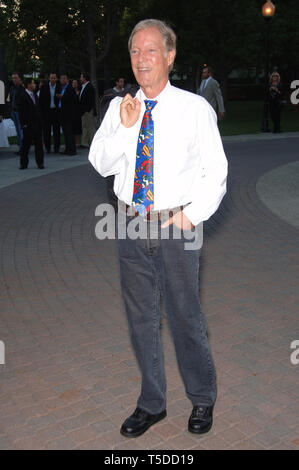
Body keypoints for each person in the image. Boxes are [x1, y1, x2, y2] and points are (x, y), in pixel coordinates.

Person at [89, 19, 228, 438]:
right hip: (130, 224)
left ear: (169, 56)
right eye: (135, 51)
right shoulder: (120, 108)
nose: (141, 59)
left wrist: (191, 215)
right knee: (141, 319)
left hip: (177, 225)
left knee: (186, 316)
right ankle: (152, 403)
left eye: (151, 50)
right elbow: (100, 162)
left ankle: (202, 397)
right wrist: (126, 130)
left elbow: (216, 171)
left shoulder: (194, 109)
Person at [18, 77, 44, 169]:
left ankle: (40, 162)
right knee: (26, 146)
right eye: (33, 83)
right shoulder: (23, 96)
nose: (35, 85)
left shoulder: (35, 95)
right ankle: (23, 163)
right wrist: (23, 124)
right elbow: (21, 112)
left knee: (39, 145)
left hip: (37, 125)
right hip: (28, 125)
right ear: (29, 85)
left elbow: (38, 109)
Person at [39, 73, 61, 153]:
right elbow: (40, 101)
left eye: (54, 78)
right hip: (47, 112)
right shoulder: (44, 87)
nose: (53, 80)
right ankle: (47, 147)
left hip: (56, 111)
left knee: (56, 131)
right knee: (46, 131)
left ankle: (56, 148)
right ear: (49, 78)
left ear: (56, 79)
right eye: (51, 78)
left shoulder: (59, 87)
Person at [57, 74, 77, 155]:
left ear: (67, 80)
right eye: (61, 78)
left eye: (64, 78)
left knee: (69, 132)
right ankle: (68, 148)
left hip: (68, 114)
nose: (63, 80)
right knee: (65, 132)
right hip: (62, 113)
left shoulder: (70, 89)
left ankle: (72, 149)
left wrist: (62, 97)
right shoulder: (61, 88)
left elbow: (71, 100)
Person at [8, 72, 25, 154]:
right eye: (13, 78)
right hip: (13, 112)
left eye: (15, 78)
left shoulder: (22, 89)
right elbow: (10, 99)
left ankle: (23, 148)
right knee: (18, 131)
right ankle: (20, 148)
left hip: (19, 112)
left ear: (19, 79)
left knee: (21, 130)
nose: (14, 79)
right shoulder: (12, 88)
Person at [79, 72, 96, 148]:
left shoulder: (89, 87)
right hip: (84, 110)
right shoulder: (84, 86)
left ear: (84, 78)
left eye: (81, 77)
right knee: (85, 126)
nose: (80, 79)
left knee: (90, 127)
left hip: (88, 111)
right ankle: (85, 142)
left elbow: (90, 100)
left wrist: (87, 109)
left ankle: (93, 142)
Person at [71, 79, 82, 147]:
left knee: (78, 127)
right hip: (72, 111)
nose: (74, 84)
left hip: (78, 111)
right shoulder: (70, 92)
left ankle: (78, 142)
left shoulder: (80, 92)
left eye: (75, 83)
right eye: (73, 83)